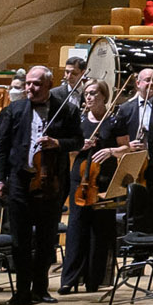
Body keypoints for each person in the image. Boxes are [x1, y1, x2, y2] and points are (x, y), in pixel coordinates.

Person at [0, 65, 81, 305]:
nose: (31, 87)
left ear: (49, 85)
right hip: (20, 179)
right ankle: (21, 291)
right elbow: (3, 148)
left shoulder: (67, 110)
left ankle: (40, 288)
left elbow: (78, 140)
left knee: (45, 238)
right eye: (29, 83)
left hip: (51, 182)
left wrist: (58, 142)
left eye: (37, 84)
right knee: (19, 239)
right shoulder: (13, 110)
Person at [59, 79, 118, 293]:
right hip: (80, 177)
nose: (89, 97)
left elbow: (127, 147)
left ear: (104, 96)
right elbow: (68, 150)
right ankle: (70, 279)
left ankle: (94, 279)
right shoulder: (79, 121)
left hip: (104, 179)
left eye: (94, 93)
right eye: (87, 94)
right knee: (76, 227)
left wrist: (111, 151)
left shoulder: (113, 121)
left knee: (100, 229)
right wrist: (79, 145)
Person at [105, 67, 153, 191]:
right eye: (147, 80)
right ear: (138, 84)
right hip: (131, 164)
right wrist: (128, 145)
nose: (152, 83)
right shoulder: (125, 108)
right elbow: (118, 136)